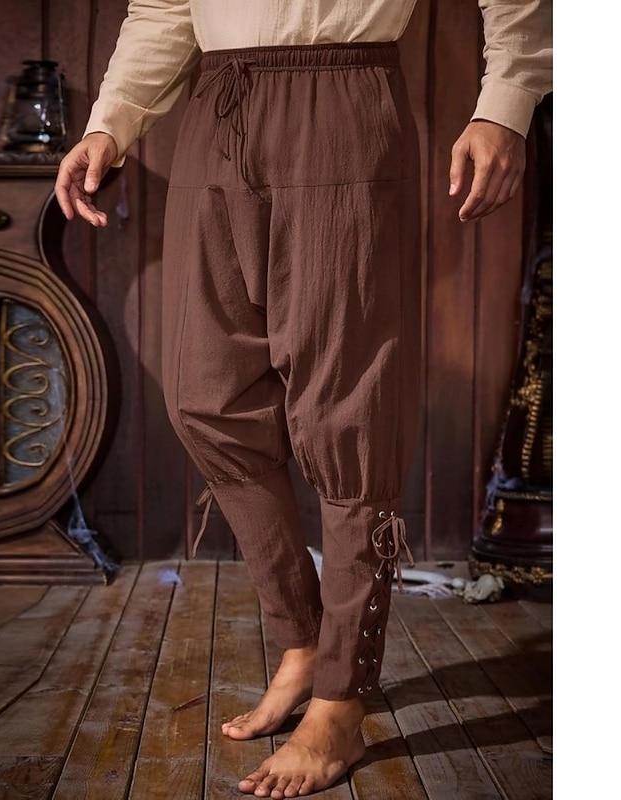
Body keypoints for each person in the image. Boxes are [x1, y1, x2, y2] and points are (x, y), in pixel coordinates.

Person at [54, 2, 552, 797]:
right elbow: (165, 9)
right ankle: (303, 640)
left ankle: (341, 697)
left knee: (347, 415)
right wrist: (112, 122)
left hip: (343, 95)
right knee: (205, 399)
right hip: (217, 107)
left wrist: (506, 103)